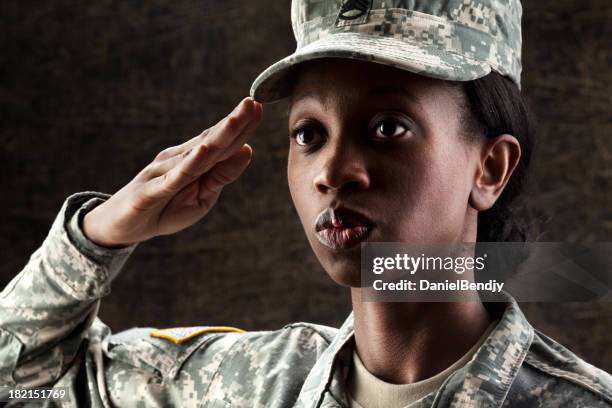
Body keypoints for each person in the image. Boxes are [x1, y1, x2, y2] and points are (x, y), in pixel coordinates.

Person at [1, 0, 611, 407]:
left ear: (490, 167)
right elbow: (21, 382)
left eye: (388, 128)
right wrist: (99, 235)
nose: (332, 172)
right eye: (308, 134)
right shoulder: (242, 387)